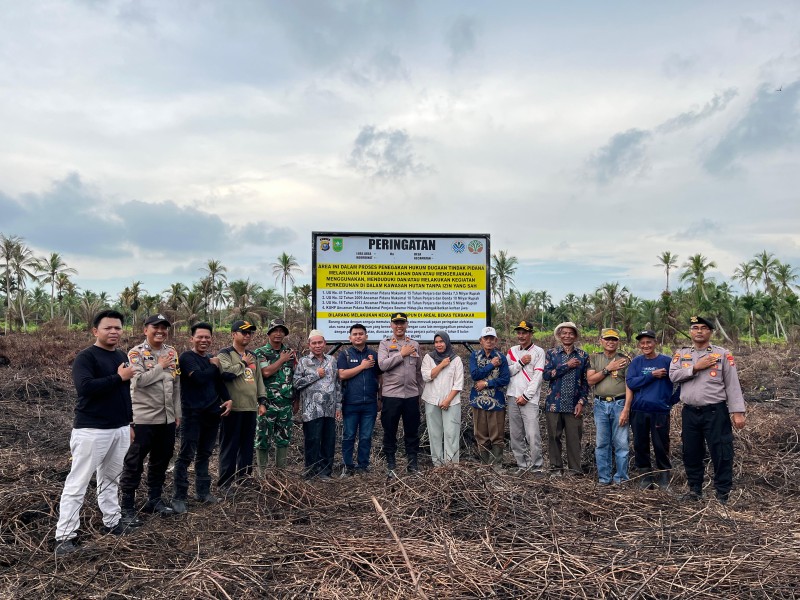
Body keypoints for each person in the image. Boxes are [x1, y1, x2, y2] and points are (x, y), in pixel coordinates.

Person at [54, 310, 135, 555]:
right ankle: (65, 537)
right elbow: (85, 388)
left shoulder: (121, 355)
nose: (113, 332)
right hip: (91, 430)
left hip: (119, 429)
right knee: (77, 483)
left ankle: (112, 521)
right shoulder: (85, 357)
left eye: (117, 328)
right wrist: (118, 377)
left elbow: (125, 394)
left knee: (111, 480)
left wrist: (129, 424)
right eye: (108, 328)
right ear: (95, 331)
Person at [669, 316, 746, 504]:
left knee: (721, 452)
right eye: (695, 327)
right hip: (690, 412)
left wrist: (737, 412)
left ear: (710, 332)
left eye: (704, 328)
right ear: (690, 331)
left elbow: (732, 384)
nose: (699, 331)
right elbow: (673, 375)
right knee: (691, 452)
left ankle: (722, 494)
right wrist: (695, 368)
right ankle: (695, 490)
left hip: (715, 412)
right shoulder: (682, 354)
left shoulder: (722, 354)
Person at [120, 314, 180, 519]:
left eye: (164, 327)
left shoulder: (172, 352)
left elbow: (176, 385)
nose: (160, 331)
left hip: (167, 419)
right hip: (144, 418)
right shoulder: (135, 353)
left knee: (161, 461)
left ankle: (154, 500)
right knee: (134, 462)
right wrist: (160, 366)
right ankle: (127, 506)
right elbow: (138, 381)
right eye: (156, 327)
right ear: (146, 330)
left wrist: (177, 413)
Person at [171, 322, 232, 514]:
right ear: (192, 339)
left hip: (212, 413)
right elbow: (198, 378)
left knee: (205, 454)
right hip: (192, 414)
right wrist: (214, 366)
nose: (204, 340)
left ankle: (203, 492)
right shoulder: (187, 357)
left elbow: (219, 382)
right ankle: (179, 496)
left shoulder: (211, 360)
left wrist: (228, 399)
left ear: (211, 339)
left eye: (207, 337)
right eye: (200, 337)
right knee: (186, 455)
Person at [621, 330, 677, 490]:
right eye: (642, 343)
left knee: (661, 444)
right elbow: (631, 383)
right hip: (638, 410)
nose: (645, 345)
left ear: (655, 343)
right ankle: (645, 477)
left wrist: (671, 401)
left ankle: (664, 479)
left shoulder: (667, 361)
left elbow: (681, 381)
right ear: (639, 345)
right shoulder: (637, 363)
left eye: (649, 342)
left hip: (660, 411)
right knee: (640, 444)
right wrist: (652, 375)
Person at [217, 320, 266, 492]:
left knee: (246, 447)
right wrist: (243, 363)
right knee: (230, 446)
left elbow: (258, 379)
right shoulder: (225, 354)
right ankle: (225, 483)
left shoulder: (253, 355)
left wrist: (262, 400)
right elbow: (226, 374)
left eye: (250, 332)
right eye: (243, 332)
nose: (247, 335)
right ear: (233, 334)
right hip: (232, 409)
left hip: (250, 408)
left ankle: (244, 480)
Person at [378, 312, 424, 476]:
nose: (399, 326)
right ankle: (391, 464)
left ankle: (413, 464)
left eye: (402, 323)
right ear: (391, 325)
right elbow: (383, 365)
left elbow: (418, 371)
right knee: (390, 431)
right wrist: (401, 354)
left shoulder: (415, 344)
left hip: (411, 396)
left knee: (412, 432)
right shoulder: (385, 344)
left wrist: (420, 392)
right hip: (391, 396)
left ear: (406, 324)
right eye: (396, 323)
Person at [543, 321, 590, 476]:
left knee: (574, 439)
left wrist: (581, 402)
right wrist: (567, 365)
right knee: (553, 437)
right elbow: (546, 375)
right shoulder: (552, 354)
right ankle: (556, 469)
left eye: (571, 333)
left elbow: (585, 382)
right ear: (559, 335)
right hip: (553, 404)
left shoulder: (583, 356)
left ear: (575, 336)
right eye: (564, 333)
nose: (567, 336)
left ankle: (574, 471)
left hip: (573, 404)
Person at [294, 330, 341, 481]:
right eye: (314, 343)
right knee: (312, 441)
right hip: (311, 410)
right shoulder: (303, 362)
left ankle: (326, 472)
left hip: (329, 409)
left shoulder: (332, 360)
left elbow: (338, 384)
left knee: (329, 441)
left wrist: (338, 406)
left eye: (320, 342)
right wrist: (315, 375)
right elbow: (296, 383)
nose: (317, 345)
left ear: (325, 343)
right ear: (309, 345)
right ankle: (311, 472)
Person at [587, 328, 630, 485]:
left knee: (621, 443)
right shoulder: (594, 358)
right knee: (602, 443)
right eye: (607, 339)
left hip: (619, 403)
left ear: (618, 342)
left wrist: (627, 408)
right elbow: (590, 380)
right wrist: (608, 369)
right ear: (601, 341)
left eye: (614, 339)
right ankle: (604, 478)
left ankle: (621, 479)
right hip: (600, 404)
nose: (611, 342)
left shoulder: (625, 360)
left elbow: (629, 385)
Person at [337, 323, 381, 475]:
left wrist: (380, 397)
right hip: (350, 403)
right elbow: (342, 374)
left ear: (366, 336)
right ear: (350, 338)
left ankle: (363, 466)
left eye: (361, 334)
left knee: (366, 437)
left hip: (370, 404)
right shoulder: (345, 354)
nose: (358, 336)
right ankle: (347, 466)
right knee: (348, 436)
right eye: (355, 334)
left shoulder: (374, 355)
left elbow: (379, 375)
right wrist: (362, 366)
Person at [253, 318, 296, 472]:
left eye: (281, 331)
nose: (278, 334)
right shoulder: (260, 352)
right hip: (267, 403)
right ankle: (262, 475)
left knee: (283, 438)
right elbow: (265, 372)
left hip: (285, 403)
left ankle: (280, 475)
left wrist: (295, 400)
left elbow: (293, 376)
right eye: (275, 331)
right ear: (269, 333)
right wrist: (281, 359)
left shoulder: (289, 352)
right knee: (262, 437)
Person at [506, 320, 546, 474]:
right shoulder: (512, 351)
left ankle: (537, 467)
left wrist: (526, 396)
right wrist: (520, 363)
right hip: (512, 396)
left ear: (531, 334)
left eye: (524, 333)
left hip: (529, 400)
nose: (521, 336)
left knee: (532, 434)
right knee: (515, 434)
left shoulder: (539, 352)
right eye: (519, 333)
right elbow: (507, 372)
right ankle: (522, 465)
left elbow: (538, 376)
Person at [469, 326, 510, 471]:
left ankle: (496, 465)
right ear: (481, 341)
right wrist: (491, 365)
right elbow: (474, 375)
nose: (489, 341)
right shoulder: (474, 356)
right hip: (478, 401)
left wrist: (487, 383)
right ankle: (484, 465)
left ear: (496, 340)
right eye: (486, 338)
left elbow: (505, 379)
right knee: (480, 434)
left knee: (497, 434)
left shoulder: (501, 358)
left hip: (496, 402)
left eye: (492, 338)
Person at [421, 331, 464, 466]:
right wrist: (441, 365)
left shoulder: (456, 359)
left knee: (451, 434)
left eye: (441, 341)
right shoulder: (428, 358)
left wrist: (447, 400)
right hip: (431, 400)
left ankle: (451, 467)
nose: (439, 345)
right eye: (436, 342)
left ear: (447, 342)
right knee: (434, 434)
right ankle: (438, 465)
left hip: (451, 402)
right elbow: (427, 376)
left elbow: (458, 383)